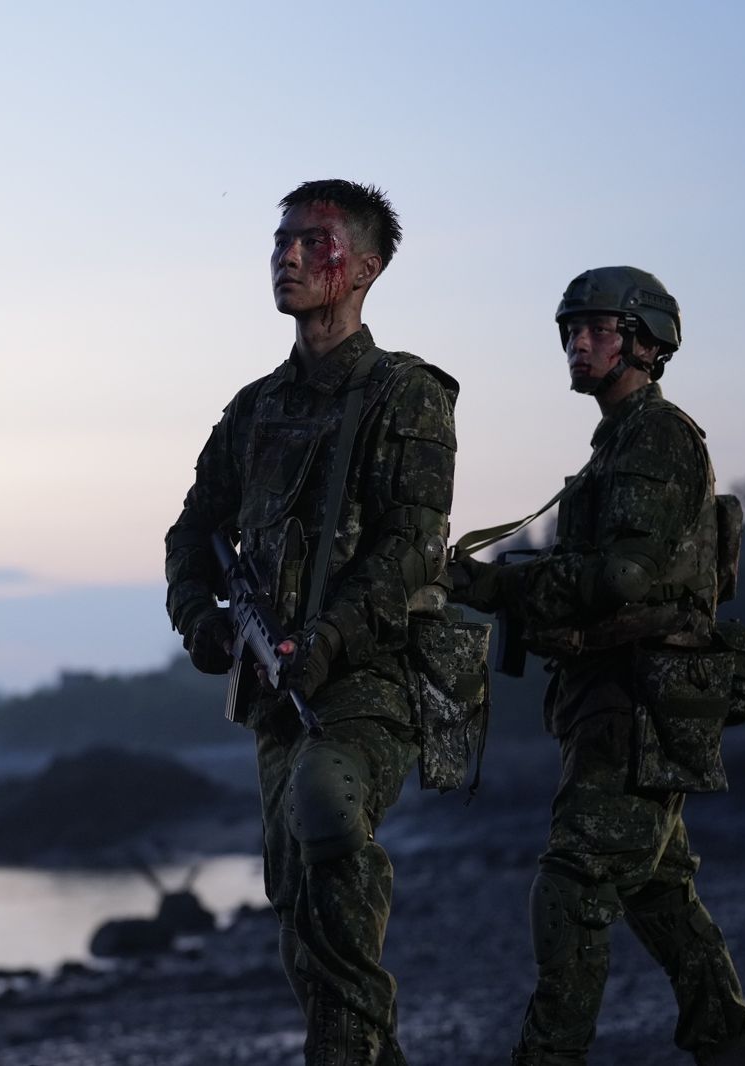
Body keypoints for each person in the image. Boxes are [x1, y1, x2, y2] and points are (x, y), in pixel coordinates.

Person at [164, 179, 458, 1066]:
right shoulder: (256, 407)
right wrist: (200, 622)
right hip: (273, 689)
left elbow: (412, 547)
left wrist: (324, 641)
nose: (287, 256)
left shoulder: (406, 394)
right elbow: (191, 529)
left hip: (367, 678)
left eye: (313, 242)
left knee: (328, 823)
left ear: (364, 269)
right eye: (281, 240)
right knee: (301, 913)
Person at [450, 266, 745, 1065]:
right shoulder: (616, 443)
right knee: (664, 900)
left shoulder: (655, 437)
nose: (576, 344)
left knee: (572, 887)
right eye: (569, 330)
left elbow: (622, 578)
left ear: (645, 343)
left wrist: (496, 586)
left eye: (595, 329)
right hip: (617, 705)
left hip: (640, 705)